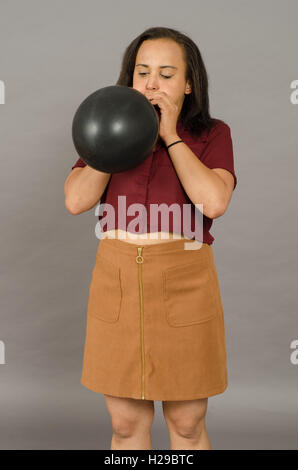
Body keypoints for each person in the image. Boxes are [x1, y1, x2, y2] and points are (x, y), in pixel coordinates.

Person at [64, 26, 238, 451]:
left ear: (189, 83)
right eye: (142, 72)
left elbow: (213, 203)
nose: (152, 83)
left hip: (185, 284)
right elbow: (75, 200)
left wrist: (170, 135)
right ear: (129, 78)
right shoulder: (104, 129)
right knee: (125, 425)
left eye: (166, 73)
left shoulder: (211, 134)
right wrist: (116, 138)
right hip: (117, 282)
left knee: (187, 423)